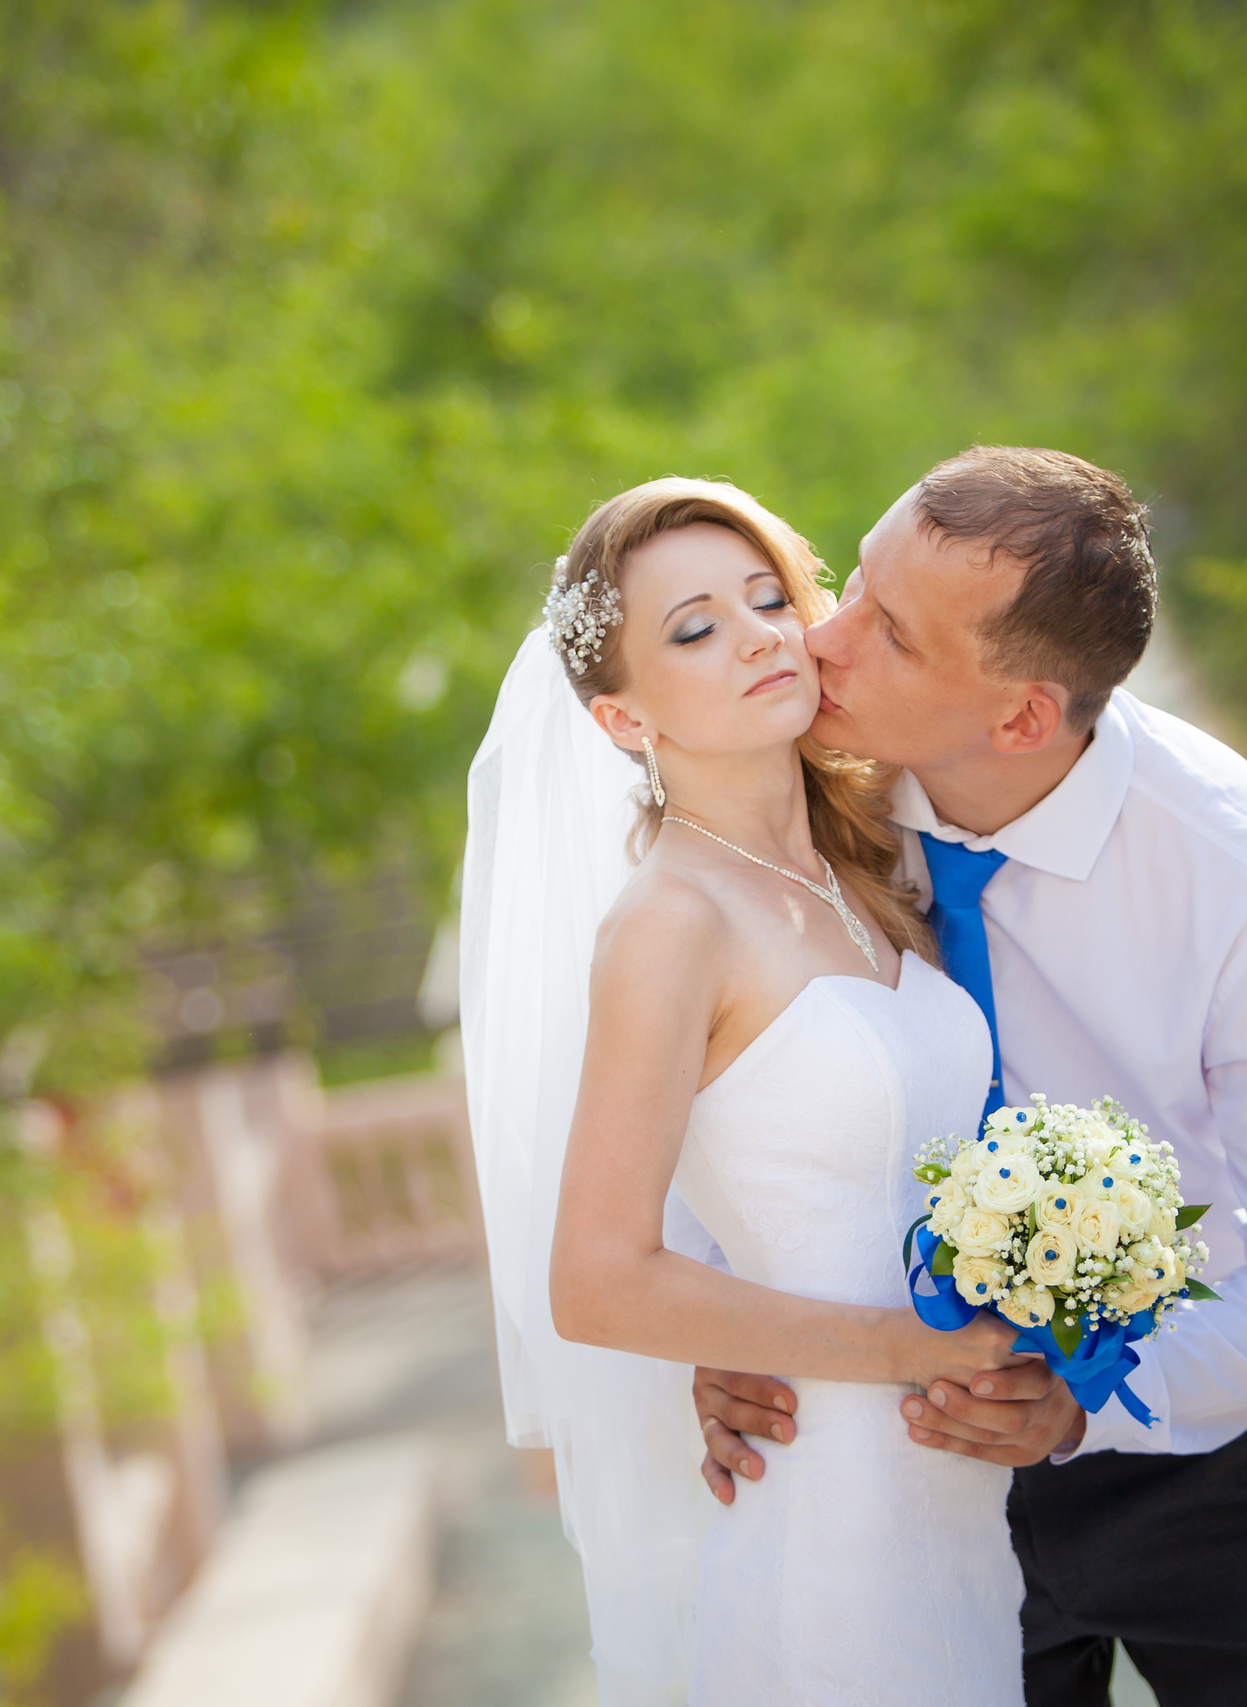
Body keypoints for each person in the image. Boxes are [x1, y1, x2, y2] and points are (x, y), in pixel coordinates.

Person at [691, 446, 1247, 1706]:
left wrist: (1099, 1406)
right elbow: (711, 1067)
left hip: (1206, 1444)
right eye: (850, 583)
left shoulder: (1246, 878)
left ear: (1021, 715)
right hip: (899, 1453)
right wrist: (713, 1314)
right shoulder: (782, 798)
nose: (826, 640)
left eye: (892, 635)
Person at [460, 477, 1030, 1705]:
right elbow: (599, 1281)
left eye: (769, 598)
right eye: (694, 628)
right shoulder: (667, 925)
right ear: (621, 721)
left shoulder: (871, 865)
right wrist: (904, 1348)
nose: (760, 634)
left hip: (968, 1504)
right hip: (831, 1519)